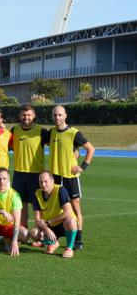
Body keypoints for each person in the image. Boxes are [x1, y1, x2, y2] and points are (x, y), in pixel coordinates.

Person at [49, 105, 94, 250]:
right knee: (57, 209)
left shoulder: (74, 133)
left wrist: (83, 166)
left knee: (75, 208)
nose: (57, 117)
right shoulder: (51, 133)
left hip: (70, 177)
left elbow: (90, 148)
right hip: (55, 176)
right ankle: (53, 237)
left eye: (60, 115)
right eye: (55, 115)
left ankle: (78, 240)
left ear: (65, 115)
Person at [10, 104, 49, 227]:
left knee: (38, 205)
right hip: (19, 173)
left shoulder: (41, 131)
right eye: (23, 114)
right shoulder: (14, 130)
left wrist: (74, 149)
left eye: (29, 115)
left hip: (36, 174)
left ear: (34, 116)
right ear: (19, 115)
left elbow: (57, 142)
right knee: (20, 204)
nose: (26, 117)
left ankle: (41, 233)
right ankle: (23, 232)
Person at [29, 171, 79, 258]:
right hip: (49, 225)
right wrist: (46, 229)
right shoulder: (37, 194)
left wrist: (50, 222)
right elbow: (37, 219)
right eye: (41, 182)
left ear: (52, 181)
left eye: (46, 181)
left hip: (62, 224)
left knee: (71, 221)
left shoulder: (60, 190)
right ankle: (53, 243)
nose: (43, 184)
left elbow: (68, 212)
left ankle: (69, 248)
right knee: (34, 232)